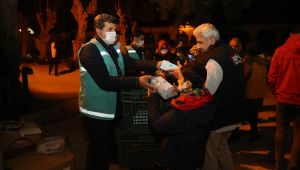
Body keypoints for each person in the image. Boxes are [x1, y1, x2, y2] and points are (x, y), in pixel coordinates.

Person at [78, 13, 162, 170]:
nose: (114, 33)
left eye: (115, 29)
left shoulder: (113, 48)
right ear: (98, 30)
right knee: (97, 154)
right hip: (96, 113)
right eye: (110, 29)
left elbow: (133, 62)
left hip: (111, 109)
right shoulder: (89, 51)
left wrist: (157, 64)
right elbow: (105, 81)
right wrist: (138, 81)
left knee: (107, 150)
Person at [191, 23, 245, 170]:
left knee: (210, 155)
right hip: (234, 114)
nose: (198, 46)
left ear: (212, 39)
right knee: (222, 149)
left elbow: (208, 93)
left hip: (219, 118)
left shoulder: (214, 60)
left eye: (200, 42)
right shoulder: (232, 52)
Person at [148, 62, 217, 170]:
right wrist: (180, 95)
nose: (178, 81)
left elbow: (158, 125)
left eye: (180, 78)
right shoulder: (205, 98)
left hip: (179, 159)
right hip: (195, 155)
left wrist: (153, 97)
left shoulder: (184, 109)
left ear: (188, 84)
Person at [268, 27, 300, 170]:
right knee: (298, 134)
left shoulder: (280, 51)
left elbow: (271, 77)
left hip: (284, 99)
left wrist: (278, 92)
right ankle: (293, 164)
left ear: (291, 34)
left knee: (281, 131)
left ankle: (278, 162)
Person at [243, 41, 268, 141]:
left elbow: (245, 75)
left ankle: (253, 134)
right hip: (260, 92)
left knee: (249, 113)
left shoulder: (249, 61)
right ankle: (254, 132)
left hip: (250, 92)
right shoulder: (263, 61)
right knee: (255, 113)